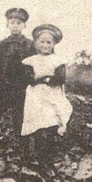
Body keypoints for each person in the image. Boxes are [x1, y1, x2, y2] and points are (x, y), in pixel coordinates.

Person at [21, 24, 73, 160]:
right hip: (36, 95)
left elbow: (60, 78)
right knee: (38, 124)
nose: (45, 45)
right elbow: (29, 79)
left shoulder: (58, 60)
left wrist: (46, 79)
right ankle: (38, 155)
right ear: (36, 43)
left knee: (52, 122)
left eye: (49, 42)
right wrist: (44, 77)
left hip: (52, 94)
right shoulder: (31, 61)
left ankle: (50, 155)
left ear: (54, 44)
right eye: (42, 42)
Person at [0, 7, 35, 143]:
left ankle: (20, 144)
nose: (15, 26)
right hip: (2, 86)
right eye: (12, 23)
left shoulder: (29, 45)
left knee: (20, 117)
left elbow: (34, 66)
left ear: (24, 25)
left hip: (21, 87)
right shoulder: (3, 45)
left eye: (18, 23)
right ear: (7, 25)